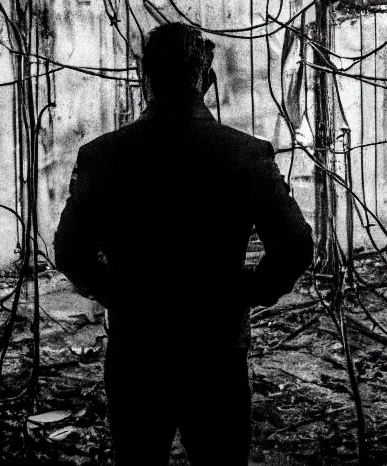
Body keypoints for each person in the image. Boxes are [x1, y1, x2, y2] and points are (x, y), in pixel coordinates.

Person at [54, 23, 314, 466]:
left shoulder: (103, 156)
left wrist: (118, 292)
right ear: (207, 82)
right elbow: (295, 246)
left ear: (143, 79)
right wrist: (246, 292)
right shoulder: (245, 154)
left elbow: (70, 252)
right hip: (215, 355)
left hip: (137, 353)